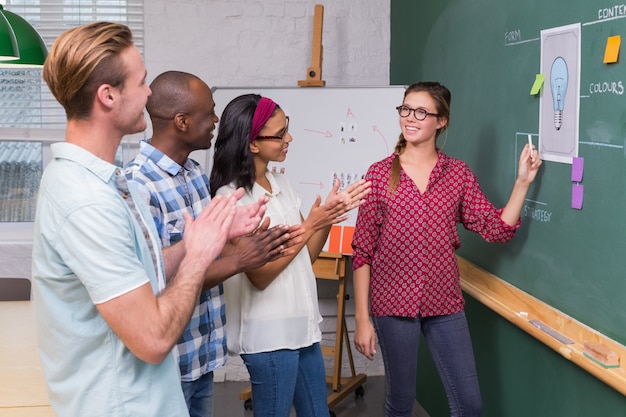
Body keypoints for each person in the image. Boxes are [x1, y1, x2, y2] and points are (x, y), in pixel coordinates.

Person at [32, 22, 265, 417]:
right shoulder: (87, 202)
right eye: (140, 82)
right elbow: (153, 338)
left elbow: (146, 267)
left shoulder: (110, 181)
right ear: (107, 96)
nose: (149, 93)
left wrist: (197, 240)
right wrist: (200, 257)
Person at [351, 81, 543, 417]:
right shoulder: (380, 175)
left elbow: (496, 228)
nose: (410, 118)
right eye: (406, 109)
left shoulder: (458, 175)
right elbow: (362, 252)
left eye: (421, 112)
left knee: (469, 405)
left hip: (444, 302)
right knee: (400, 402)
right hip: (391, 304)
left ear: (442, 121)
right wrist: (362, 319)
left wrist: (522, 182)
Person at [125, 71, 300, 417]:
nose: (217, 120)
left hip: (201, 356)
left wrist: (238, 239)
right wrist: (241, 260)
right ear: (182, 121)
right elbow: (151, 280)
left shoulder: (193, 174)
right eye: (209, 113)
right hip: (167, 366)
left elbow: (208, 250)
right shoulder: (138, 184)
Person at [210, 94, 372, 417]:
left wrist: (323, 221)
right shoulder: (231, 198)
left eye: (288, 129)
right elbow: (260, 275)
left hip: (303, 330)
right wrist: (310, 223)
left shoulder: (280, 182)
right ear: (252, 144)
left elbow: (304, 258)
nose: (289, 138)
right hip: (269, 339)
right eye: (281, 133)